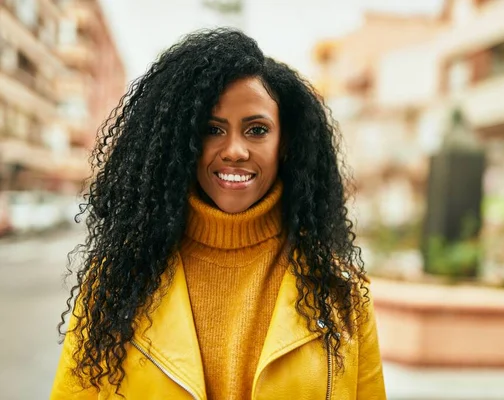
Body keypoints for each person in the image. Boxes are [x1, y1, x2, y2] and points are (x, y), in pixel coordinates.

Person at [51, 28, 386, 399]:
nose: (235, 150)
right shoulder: (115, 282)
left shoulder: (341, 292)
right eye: (213, 129)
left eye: (256, 129)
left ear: (285, 143)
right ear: (183, 141)